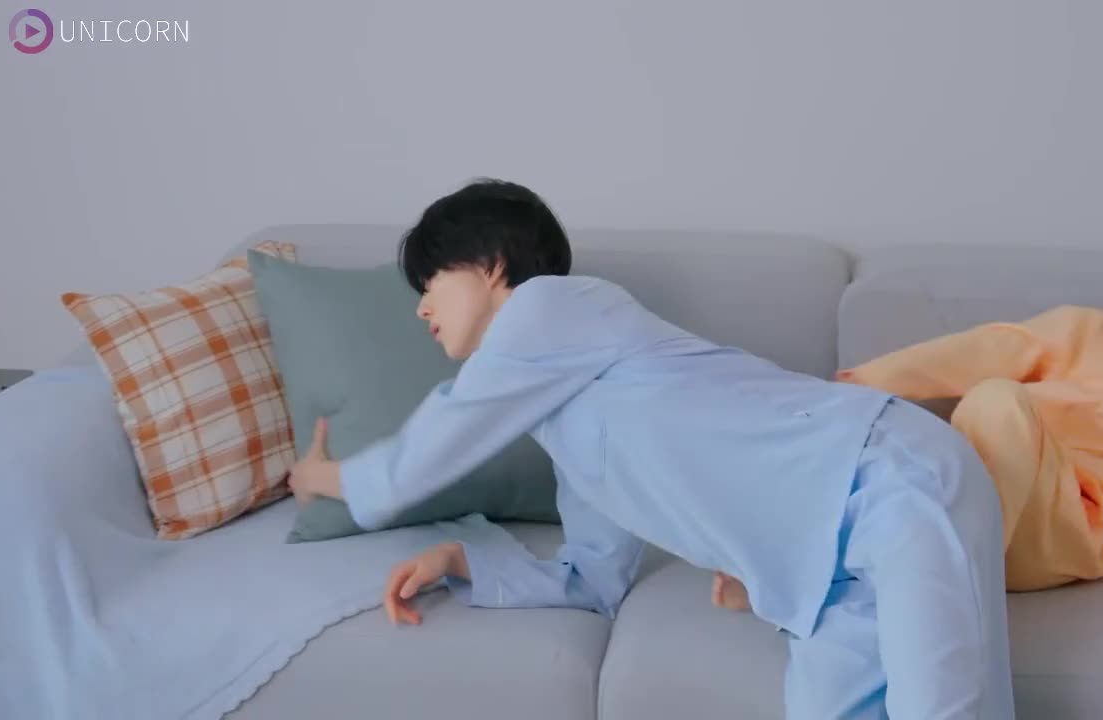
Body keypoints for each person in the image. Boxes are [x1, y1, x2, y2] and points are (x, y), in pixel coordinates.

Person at [289, 178, 1015, 719]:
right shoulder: (573, 432)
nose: (420, 306)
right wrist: (463, 562)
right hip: (822, 581)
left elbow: (440, 437)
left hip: (890, 479)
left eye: (431, 281)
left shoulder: (556, 305)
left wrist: (331, 478)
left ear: (491, 264)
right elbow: (591, 579)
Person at [713, 248, 1103, 630]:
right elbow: (984, 351)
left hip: (1050, 536)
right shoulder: (1090, 330)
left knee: (999, 402)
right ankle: (799, 573)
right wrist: (869, 381)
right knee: (917, 453)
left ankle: (898, 583)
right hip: (971, 487)